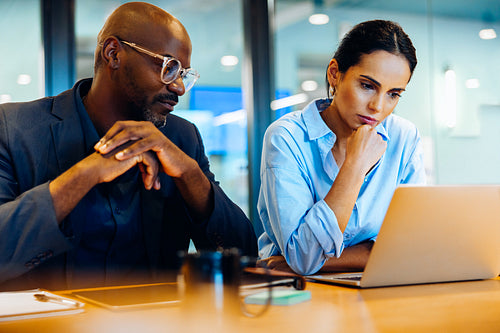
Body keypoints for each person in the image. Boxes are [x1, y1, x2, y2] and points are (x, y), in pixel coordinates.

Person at [0, 2, 257, 291]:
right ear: (113, 53)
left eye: (183, 74)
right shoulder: (15, 127)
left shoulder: (183, 138)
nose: (179, 88)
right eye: (169, 67)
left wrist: (190, 173)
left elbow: (246, 257)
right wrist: (86, 173)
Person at [257, 20, 426, 275]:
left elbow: (412, 247)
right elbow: (304, 257)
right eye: (367, 86)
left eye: (393, 94)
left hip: (377, 287)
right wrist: (355, 166)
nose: (378, 107)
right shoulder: (286, 137)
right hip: (301, 295)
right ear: (334, 73)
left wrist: (317, 262)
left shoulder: (404, 137)